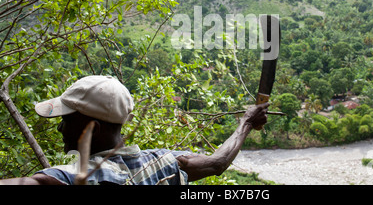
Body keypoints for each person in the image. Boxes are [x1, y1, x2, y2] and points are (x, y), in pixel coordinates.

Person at [0, 75, 269, 185]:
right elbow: (217, 163)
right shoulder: (165, 164)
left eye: (67, 118)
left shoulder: (75, 178)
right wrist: (246, 121)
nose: (60, 126)